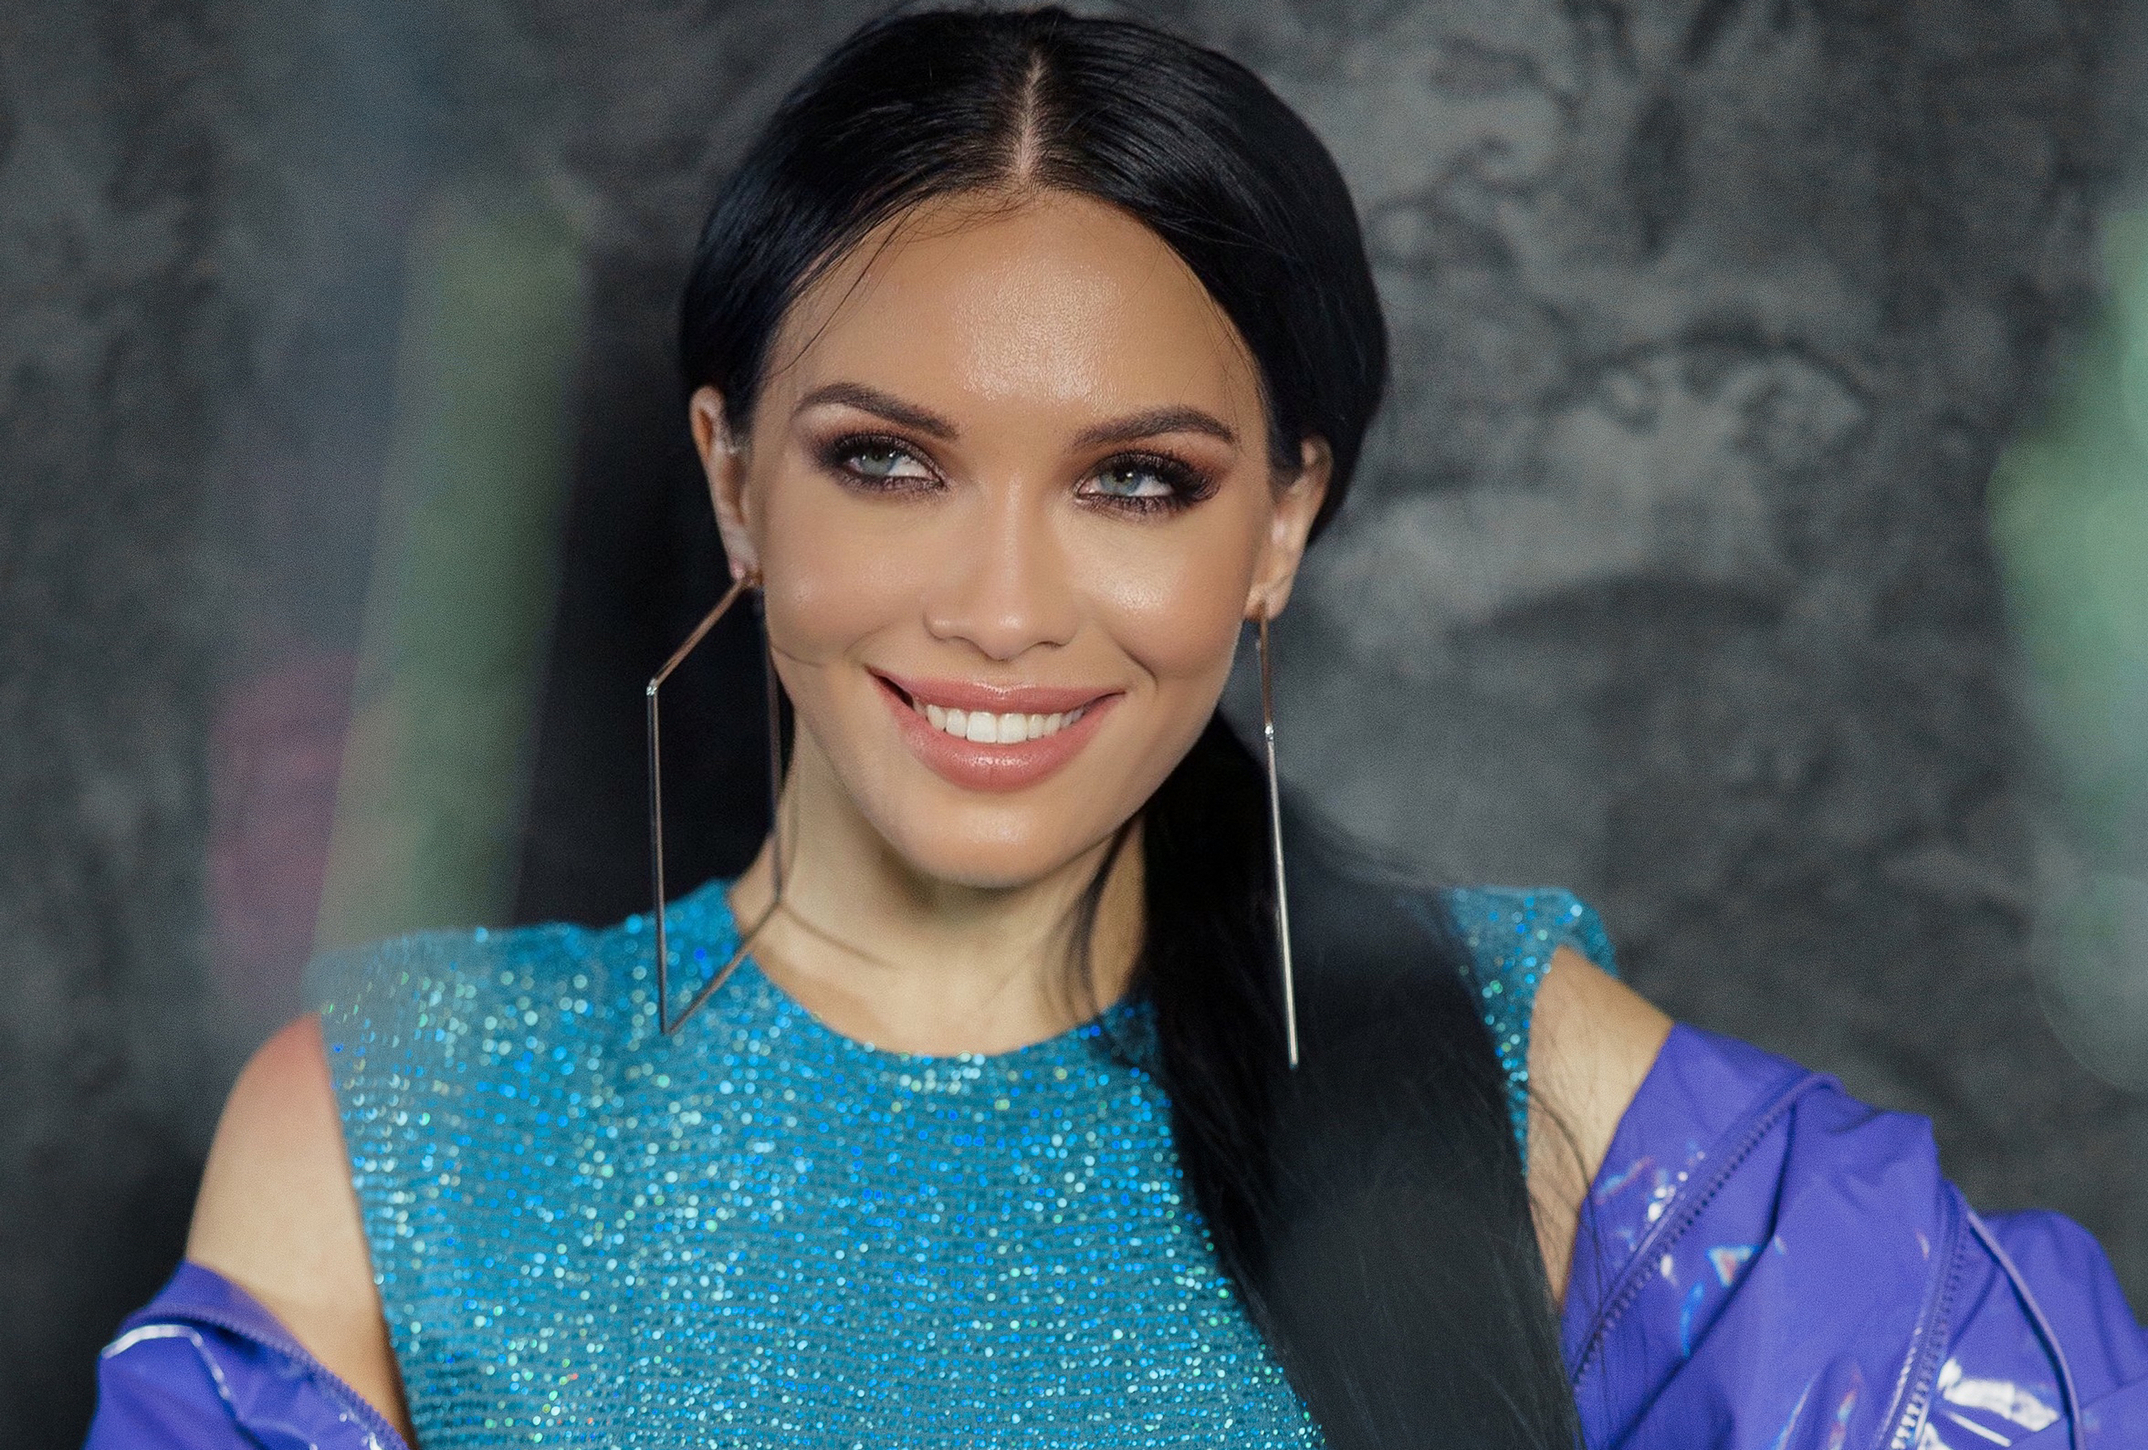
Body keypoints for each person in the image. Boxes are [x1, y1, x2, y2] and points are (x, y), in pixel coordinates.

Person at [88, 9, 2146, 1449]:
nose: (1002, 605)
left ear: (1283, 522)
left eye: (1136, 480)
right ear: (733, 480)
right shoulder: (392, 1125)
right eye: (889, 461)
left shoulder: (1508, 1066)